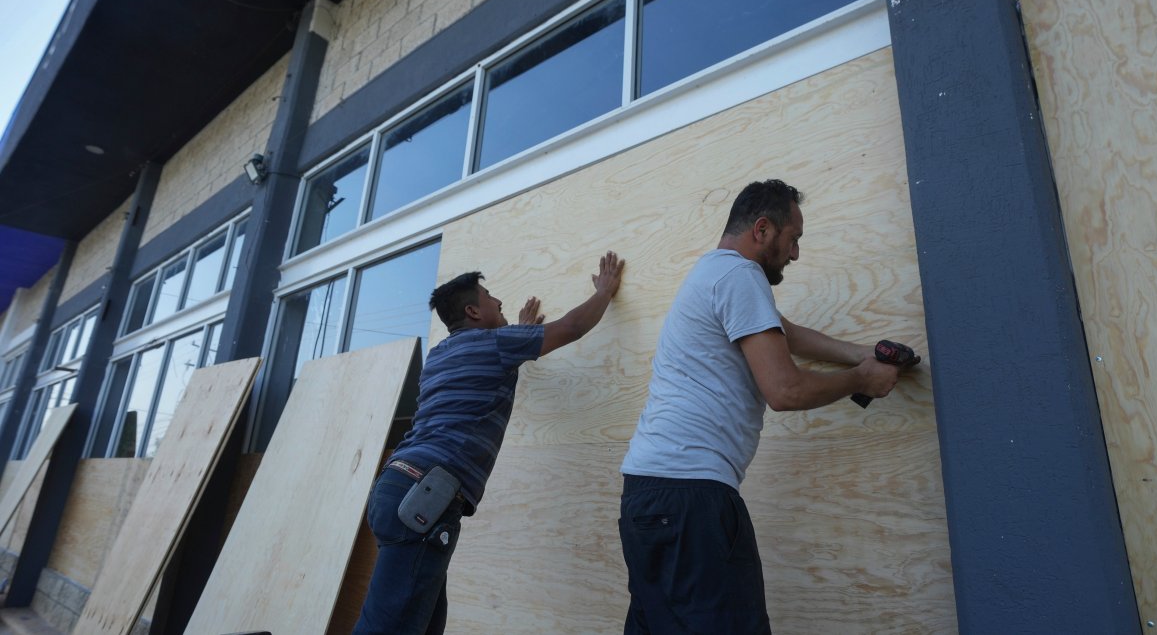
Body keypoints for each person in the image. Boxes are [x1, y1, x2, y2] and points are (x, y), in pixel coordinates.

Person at [618, 180, 920, 634]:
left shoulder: (712, 274)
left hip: (646, 495)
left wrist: (862, 354)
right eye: (793, 239)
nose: (795, 254)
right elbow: (785, 391)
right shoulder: (740, 276)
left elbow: (786, 332)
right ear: (762, 229)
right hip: (692, 498)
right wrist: (861, 380)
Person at [353, 251, 625, 635]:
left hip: (398, 487)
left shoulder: (440, 354)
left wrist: (520, 333)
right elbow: (573, 327)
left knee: (422, 624)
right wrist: (604, 292)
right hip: (423, 496)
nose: (498, 302)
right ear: (474, 312)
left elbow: (490, 367)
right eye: (489, 297)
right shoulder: (497, 345)